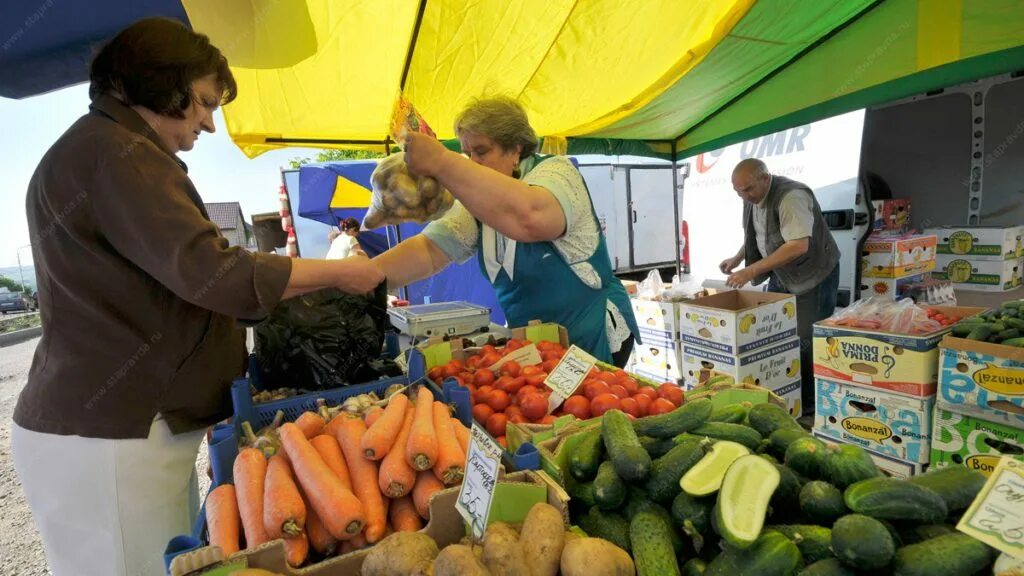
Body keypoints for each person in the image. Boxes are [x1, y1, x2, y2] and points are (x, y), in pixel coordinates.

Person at [11, 18, 383, 576]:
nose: (210, 124)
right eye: (205, 102)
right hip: (113, 434)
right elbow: (214, 274)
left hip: (122, 430)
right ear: (163, 83)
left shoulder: (107, 148)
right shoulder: (118, 154)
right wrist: (340, 275)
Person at [374, 96, 639, 365]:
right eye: (468, 153)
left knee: (595, 402)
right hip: (541, 348)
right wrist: (366, 278)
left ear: (515, 149)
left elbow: (531, 216)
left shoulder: (556, 173)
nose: (473, 162)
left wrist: (442, 161)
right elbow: (430, 251)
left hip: (593, 332)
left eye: (482, 151)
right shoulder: (479, 202)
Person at [719, 158, 840, 415]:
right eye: (737, 191)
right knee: (775, 332)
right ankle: (783, 392)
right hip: (783, 273)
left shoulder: (791, 197)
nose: (743, 195)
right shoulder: (753, 196)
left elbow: (798, 245)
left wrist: (751, 270)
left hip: (813, 273)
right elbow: (760, 233)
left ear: (765, 178)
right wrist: (738, 258)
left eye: (748, 189)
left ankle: (809, 403)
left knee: (806, 338)